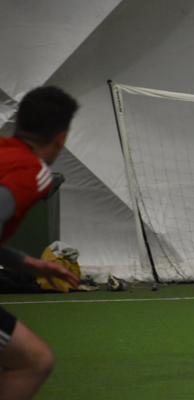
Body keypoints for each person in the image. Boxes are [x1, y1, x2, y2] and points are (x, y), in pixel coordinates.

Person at [0, 86, 80, 399]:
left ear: (17, 123)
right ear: (60, 138)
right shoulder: (33, 172)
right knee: (33, 362)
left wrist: (28, 263)